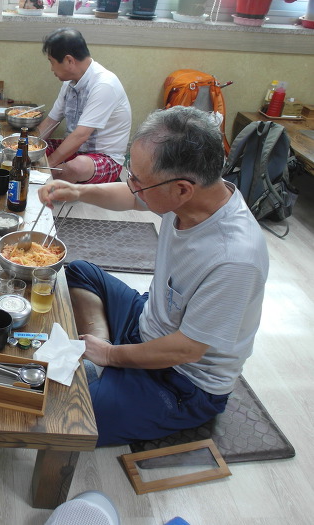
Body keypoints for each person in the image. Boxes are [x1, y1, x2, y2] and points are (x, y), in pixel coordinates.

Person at [37, 106, 269, 446]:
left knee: (65, 417)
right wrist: (78, 191)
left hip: (181, 379)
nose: (131, 186)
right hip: (148, 321)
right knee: (80, 271)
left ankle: (105, 362)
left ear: (182, 189)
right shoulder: (192, 195)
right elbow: (133, 200)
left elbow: (186, 349)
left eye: (138, 180)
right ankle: (103, 360)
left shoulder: (234, 258)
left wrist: (110, 356)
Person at [38, 28, 131, 185]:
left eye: (52, 62)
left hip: (104, 157)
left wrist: (46, 166)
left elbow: (81, 135)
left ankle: (48, 177)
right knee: (33, 150)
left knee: (76, 167)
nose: (51, 68)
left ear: (69, 60)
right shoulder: (69, 83)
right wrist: (25, 148)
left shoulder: (104, 84)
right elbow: (51, 122)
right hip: (77, 150)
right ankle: (50, 176)